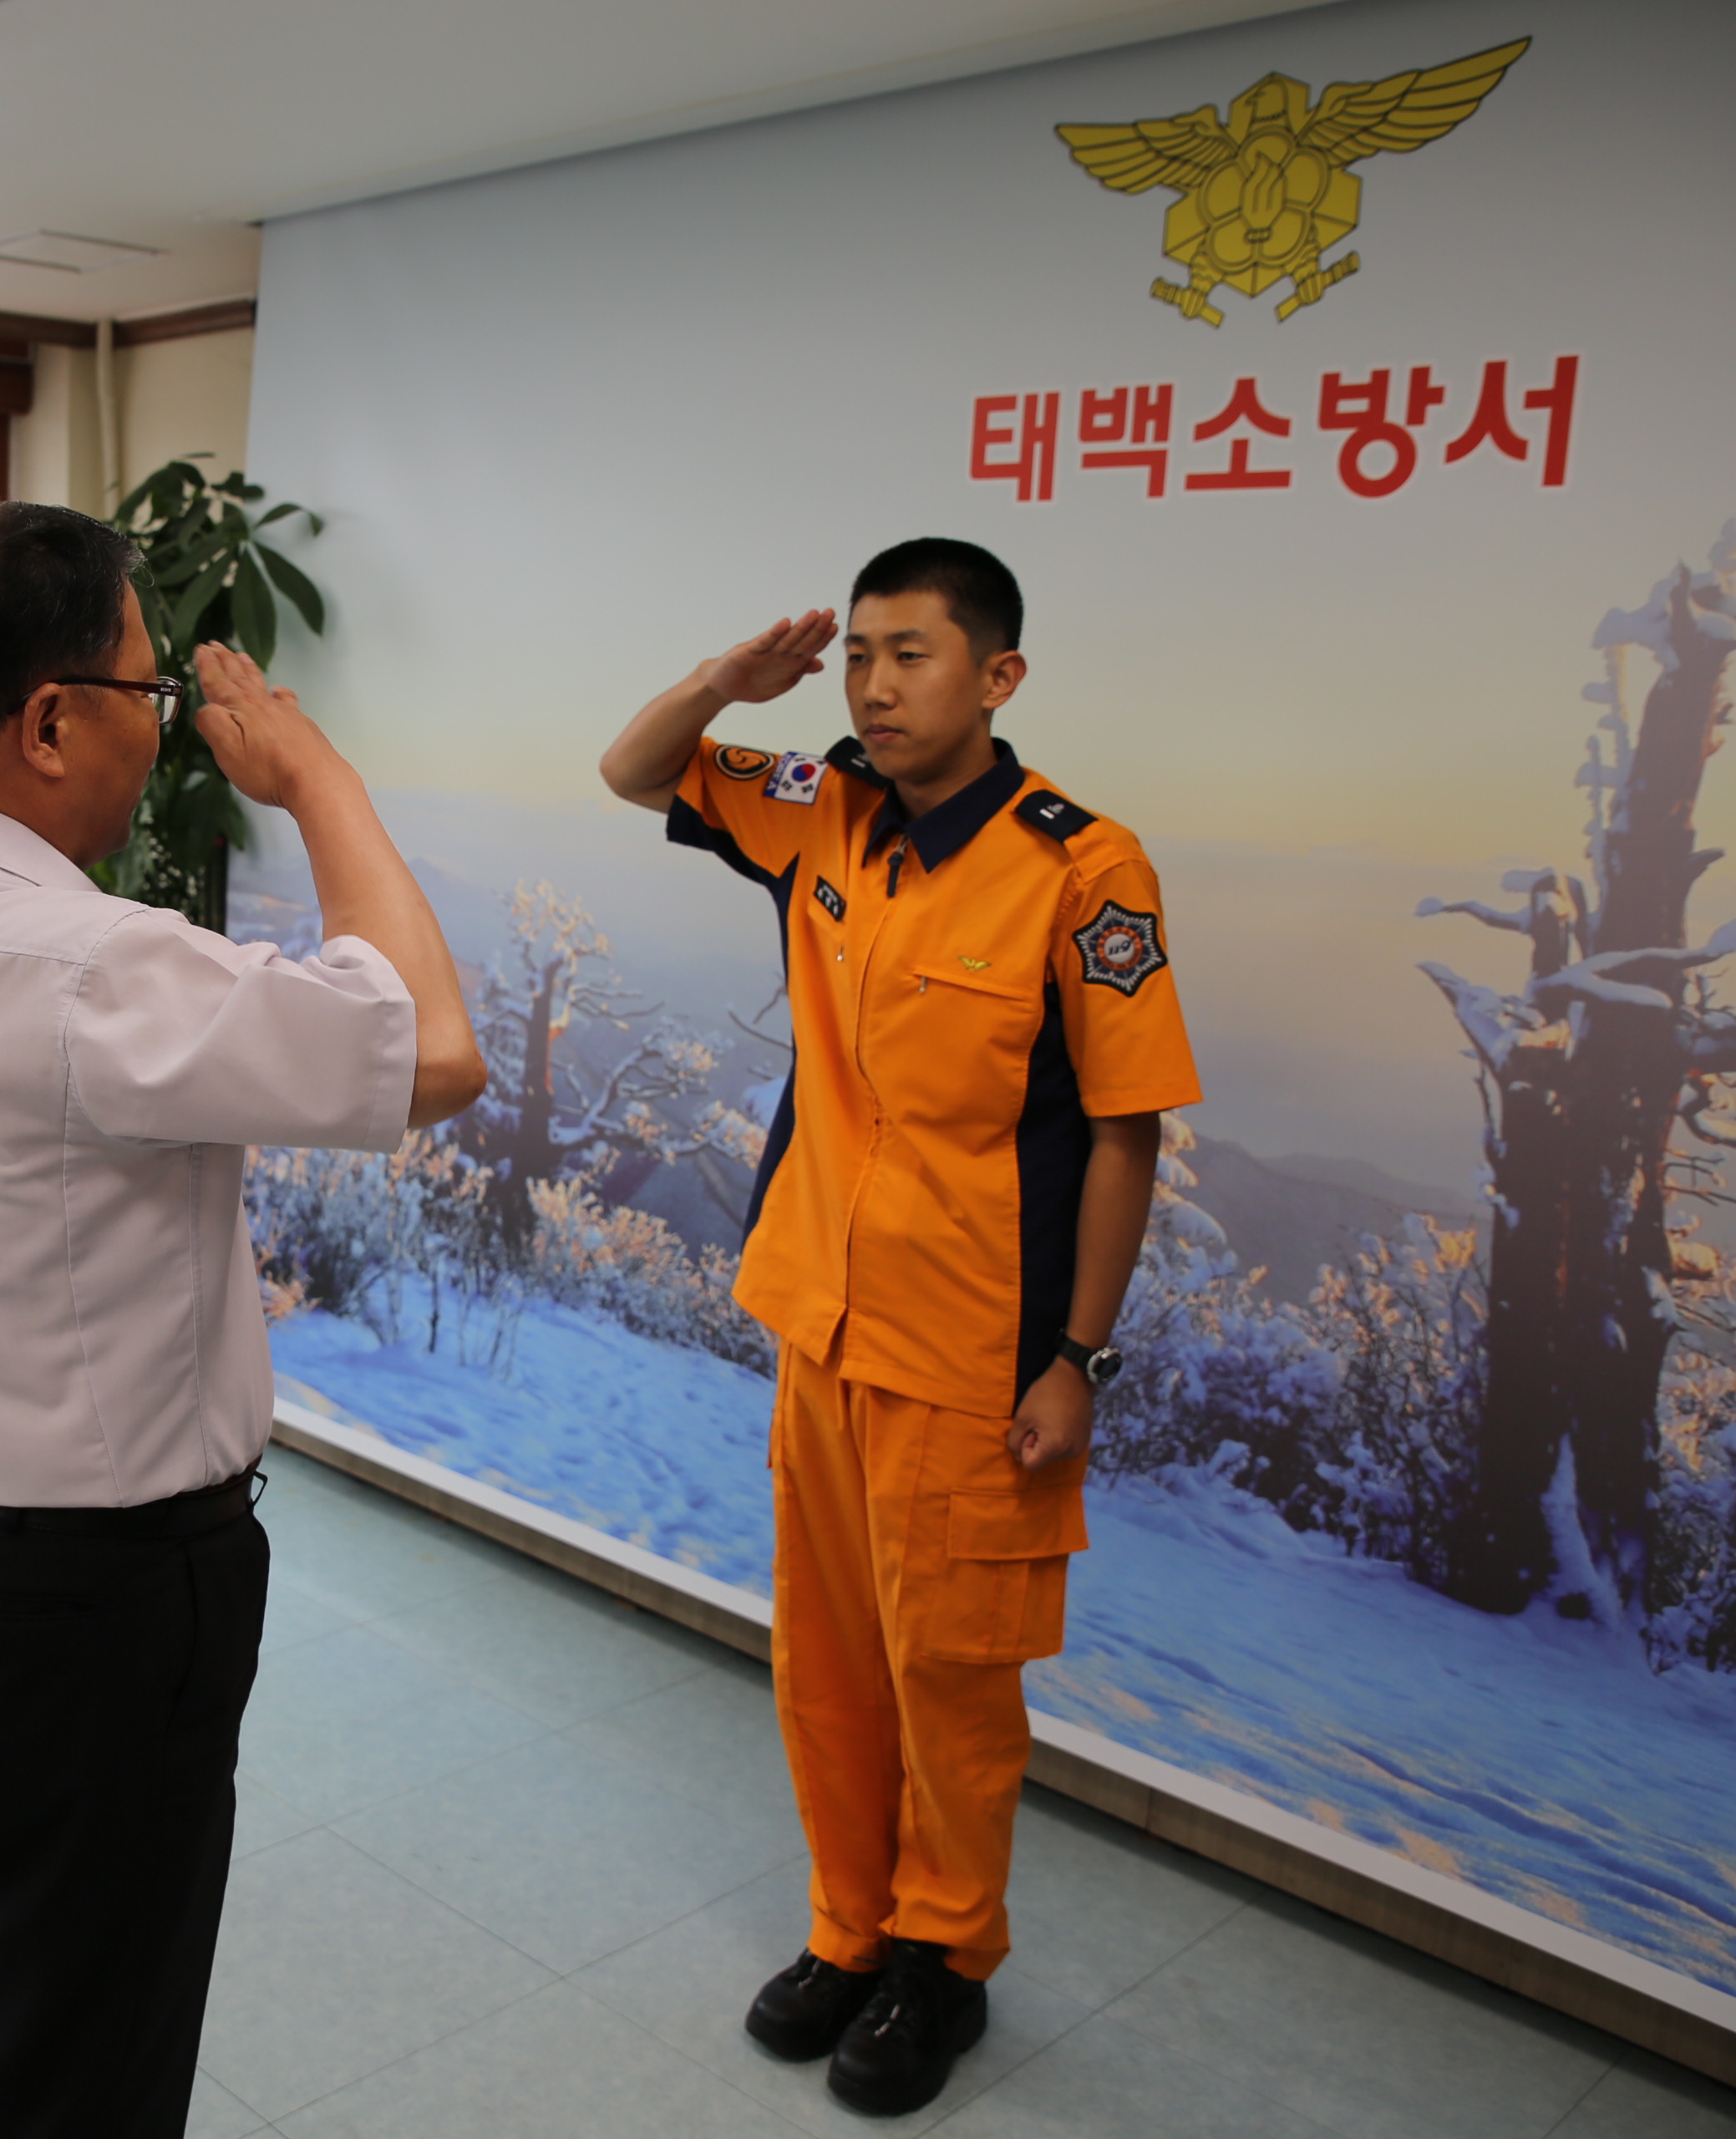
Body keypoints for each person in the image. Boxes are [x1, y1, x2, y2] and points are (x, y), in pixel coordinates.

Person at [0, 501, 485, 2136]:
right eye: (146, 694)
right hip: (82, 1609)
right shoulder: (92, 964)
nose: (161, 730)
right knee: (80, 2063)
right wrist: (320, 781)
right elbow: (435, 1048)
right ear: (50, 720)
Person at [598, 538, 1198, 2116]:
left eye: (910, 654)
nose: (873, 685)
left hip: (976, 1347)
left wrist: (1080, 1360)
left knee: (952, 1677)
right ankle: (847, 1929)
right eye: (859, 655)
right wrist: (728, 682)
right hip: (822, 1317)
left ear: (998, 677)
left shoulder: (1084, 867)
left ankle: (943, 1957)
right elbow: (633, 769)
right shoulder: (826, 809)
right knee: (829, 1660)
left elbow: (1125, 1133)